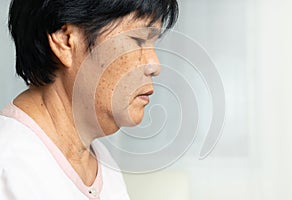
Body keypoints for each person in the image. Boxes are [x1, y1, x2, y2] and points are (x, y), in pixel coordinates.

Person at [0, 0, 178, 199]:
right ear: (66, 40)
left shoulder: (103, 164)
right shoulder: (8, 167)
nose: (154, 64)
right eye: (137, 40)